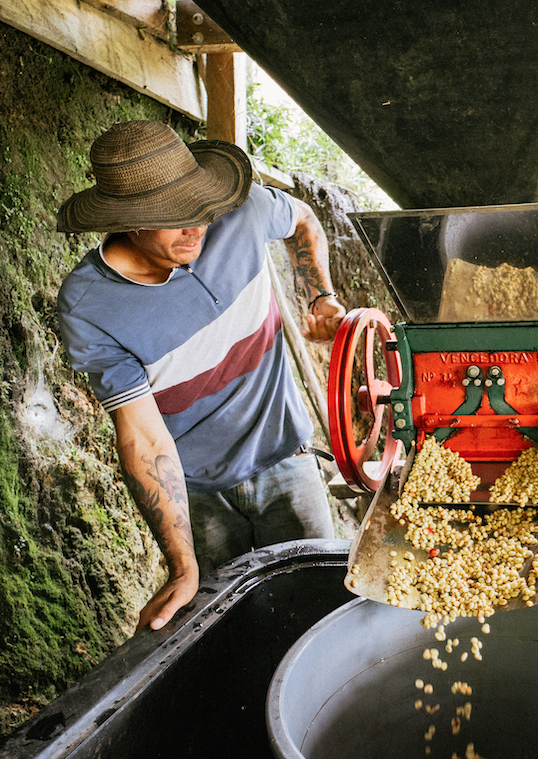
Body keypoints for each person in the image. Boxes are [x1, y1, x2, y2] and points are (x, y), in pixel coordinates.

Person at [55, 120, 347, 631]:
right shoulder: (89, 307)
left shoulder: (242, 211)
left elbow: (304, 221)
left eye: (200, 209)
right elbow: (143, 436)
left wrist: (320, 294)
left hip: (286, 458)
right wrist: (182, 565)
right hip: (198, 494)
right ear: (129, 220)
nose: (197, 228)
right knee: (232, 633)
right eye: (174, 217)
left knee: (322, 610)